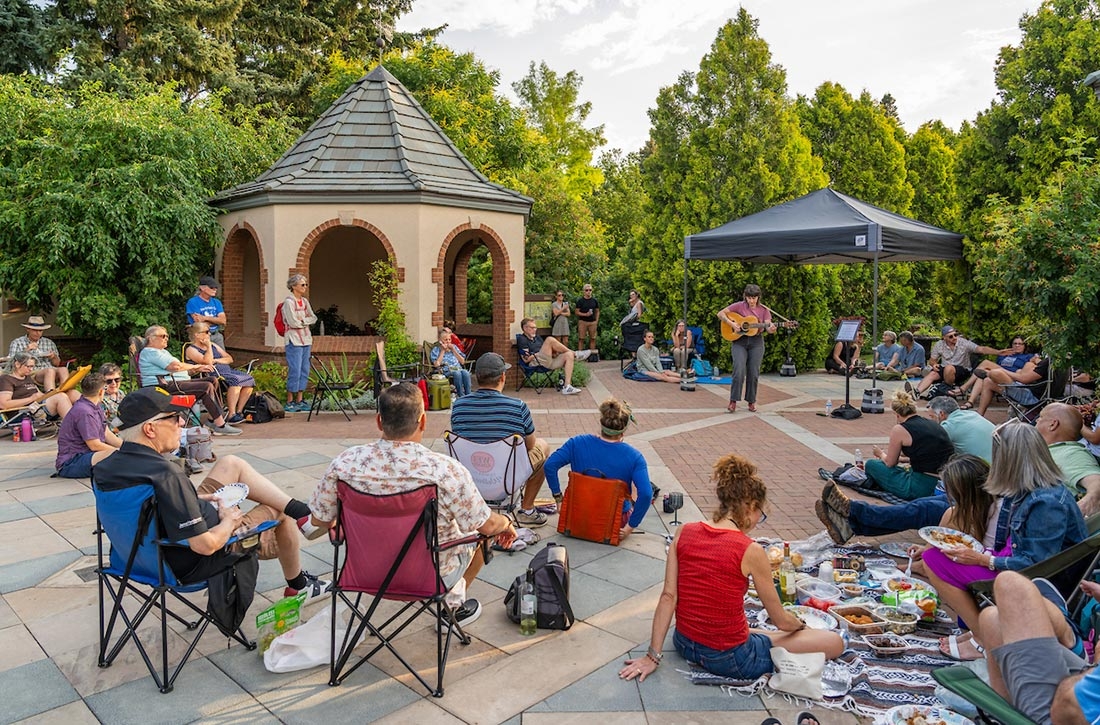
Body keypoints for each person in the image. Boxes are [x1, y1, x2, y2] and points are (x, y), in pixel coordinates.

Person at [306, 382, 518, 629]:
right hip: (429, 577)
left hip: (363, 573)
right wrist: (507, 523)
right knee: (480, 536)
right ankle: (451, 609)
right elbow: (487, 524)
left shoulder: (345, 463)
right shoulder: (445, 471)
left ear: (378, 421)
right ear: (423, 421)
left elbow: (319, 521)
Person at [619, 453, 843, 683]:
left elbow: (668, 596)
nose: (758, 521)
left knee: (766, 634)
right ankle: (777, 639)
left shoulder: (684, 531)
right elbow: (781, 620)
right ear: (750, 507)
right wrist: (800, 625)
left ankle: (764, 638)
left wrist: (652, 656)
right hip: (731, 658)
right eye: (761, 514)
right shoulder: (750, 549)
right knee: (834, 642)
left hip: (685, 641)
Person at [93, 387, 331, 598]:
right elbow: (205, 546)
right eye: (175, 418)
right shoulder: (166, 475)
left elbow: (147, 505)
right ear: (150, 429)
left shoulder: (105, 468)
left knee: (231, 464)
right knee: (277, 509)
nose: (181, 424)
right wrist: (229, 521)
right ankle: (298, 584)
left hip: (131, 560)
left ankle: (303, 514)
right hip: (189, 562)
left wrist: (190, 500)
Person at [923, 421, 1087, 661]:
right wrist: (983, 554)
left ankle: (982, 637)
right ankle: (979, 630)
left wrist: (984, 559)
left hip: (1035, 582)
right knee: (940, 552)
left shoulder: (1046, 502)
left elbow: (1035, 565)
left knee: (933, 559)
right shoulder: (1025, 490)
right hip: (1014, 567)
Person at [815, 396, 995, 544]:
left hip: (966, 490)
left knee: (920, 508)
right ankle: (851, 526)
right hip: (969, 486)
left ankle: (853, 510)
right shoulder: (942, 425)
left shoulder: (949, 425)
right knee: (921, 506)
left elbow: (890, 463)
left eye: (933, 416)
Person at [449, 353, 550, 526]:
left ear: (477, 377)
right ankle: (527, 509)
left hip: (472, 476)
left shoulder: (459, 406)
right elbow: (530, 445)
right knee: (543, 446)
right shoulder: (517, 406)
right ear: (503, 377)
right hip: (507, 477)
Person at [979, 573, 1093, 725]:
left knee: (1011, 586)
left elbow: (1066, 708)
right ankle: (1068, 636)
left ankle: (1069, 636)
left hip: (1070, 713)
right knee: (991, 619)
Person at [544, 398, 652, 540]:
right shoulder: (635, 457)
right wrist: (629, 527)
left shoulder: (577, 443)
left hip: (577, 518)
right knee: (633, 491)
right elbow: (646, 494)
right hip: (613, 523)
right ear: (624, 429)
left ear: (602, 422)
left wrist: (559, 499)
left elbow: (549, 465)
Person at [904, 455, 1000, 579]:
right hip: (978, 559)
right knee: (946, 512)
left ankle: (924, 566)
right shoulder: (969, 508)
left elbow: (985, 553)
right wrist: (927, 548)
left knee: (927, 510)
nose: (949, 494)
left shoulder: (995, 512)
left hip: (988, 567)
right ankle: (923, 562)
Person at [138, 325, 241, 436]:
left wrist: (197, 368)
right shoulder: (150, 352)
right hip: (161, 386)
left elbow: (180, 368)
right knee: (206, 386)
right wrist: (196, 367)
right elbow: (175, 367)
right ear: (151, 338)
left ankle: (212, 420)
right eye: (163, 336)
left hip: (174, 382)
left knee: (212, 380)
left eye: (167, 336)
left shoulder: (162, 352)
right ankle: (220, 425)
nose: (166, 338)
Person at [863, 388, 954, 500]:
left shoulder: (900, 429)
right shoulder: (932, 424)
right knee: (902, 469)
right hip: (945, 480)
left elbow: (890, 463)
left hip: (920, 486)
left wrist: (880, 453)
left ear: (897, 414)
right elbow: (929, 453)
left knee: (872, 465)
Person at [717, 284, 776, 413]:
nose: (751, 301)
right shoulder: (739, 306)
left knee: (753, 373)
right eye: (749, 298)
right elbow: (720, 313)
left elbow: (767, 326)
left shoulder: (764, 310)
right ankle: (733, 401)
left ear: (758, 297)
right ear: (745, 297)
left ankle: (751, 401)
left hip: (756, 342)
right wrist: (732, 323)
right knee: (738, 370)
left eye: (754, 298)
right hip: (739, 341)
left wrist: (771, 329)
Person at [184, 322, 255, 424]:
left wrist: (217, 360)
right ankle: (231, 414)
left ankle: (239, 411)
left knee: (249, 379)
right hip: (213, 375)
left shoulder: (214, 345)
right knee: (236, 381)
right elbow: (207, 361)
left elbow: (230, 359)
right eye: (207, 332)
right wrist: (208, 347)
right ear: (197, 335)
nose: (209, 335)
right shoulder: (191, 349)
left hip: (228, 371)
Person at [1036, 403, 1100, 515]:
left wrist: (1089, 500)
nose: (1037, 420)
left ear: (1053, 424)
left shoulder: (1070, 453)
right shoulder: (1053, 449)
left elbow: (1096, 482)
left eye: (1041, 417)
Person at [55, 372, 122, 478]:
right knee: (120, 459)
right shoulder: (84, 412)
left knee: (125, 456)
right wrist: (123, 452)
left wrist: (126, 447)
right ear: (101, 392)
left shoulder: (95, 406)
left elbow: (106, 433)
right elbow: (94, 445)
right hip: (71, 463)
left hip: (86, 455)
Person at [916, 325, 1008, 397]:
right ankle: (917, 392)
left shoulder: (963, 343)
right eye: (950, 336)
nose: (954, 337)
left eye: (955, 335)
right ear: (944, 338)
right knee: (933, 373)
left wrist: (998, 352)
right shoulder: (939, 345)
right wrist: (934, 364)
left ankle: (947, 389)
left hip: (962, 370)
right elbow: (932, 361)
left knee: (949, 368)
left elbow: (981, 349)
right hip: (946, 369)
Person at [516, 317, 589, 396]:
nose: (535, 329)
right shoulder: (522, 339)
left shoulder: (537, 337)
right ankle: (576, 354)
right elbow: (526, 360)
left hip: (547, 362)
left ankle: (567, 387)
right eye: (532, 327)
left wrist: (553, 353)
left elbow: (545, 351)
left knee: (568, 355)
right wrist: (538, 354)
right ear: (525, 328)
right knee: (550, 339)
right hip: (535, 362)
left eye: (535, 327)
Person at [0, 351, 75, 420]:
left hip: (38, 406)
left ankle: (83, 423)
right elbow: (3, 404)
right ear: (17, 364)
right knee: (61, 397)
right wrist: (31, 398)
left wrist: (50, 394)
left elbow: (38, 394)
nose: (31, 369)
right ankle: (73, 428)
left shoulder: (27, 377)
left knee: (72, 393)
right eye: (28, 366)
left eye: (32, 366)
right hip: (25, 412)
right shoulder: (6, 379)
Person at [959, 336, 1030, 407]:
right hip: (998, 375)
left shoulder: (1028, 356)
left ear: (1025, 346)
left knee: (986, 363)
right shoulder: (1004, 355)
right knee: (982, 375)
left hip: (1011, 378)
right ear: (1011, 345)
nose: (1017, 345)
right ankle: (970, 401)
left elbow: (1025, 372)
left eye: (1020, 344)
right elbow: (996, 366)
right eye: (1015, 343)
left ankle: (964, 387)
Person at [281, 274, 317, 412]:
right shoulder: (288, 302)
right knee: (294, 369)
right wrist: (304, 321)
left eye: (306, 284)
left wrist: (303, 322)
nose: (305, 287)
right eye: (302, 285)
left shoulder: (305, 301)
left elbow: (313, 317)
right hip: (293, 340)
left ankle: (300, 399)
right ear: (293, 286)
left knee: (304, 369)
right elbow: (292, 322)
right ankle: (290, 401)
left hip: (306, 339)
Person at [975, 353, 1048, 417]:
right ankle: (979, 416)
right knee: (988, 381)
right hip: (1027, 388)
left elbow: (1024, 379)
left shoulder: (1047, 362)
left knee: (996, 373)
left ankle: (988, 373)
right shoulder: (1053, 363)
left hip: (1032, 398)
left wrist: (1002, 370)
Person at [8, 315, 69, 392]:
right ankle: (51, 396)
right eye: (34, 330)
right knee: (49, 371)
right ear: (28, 329)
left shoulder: (49, 343)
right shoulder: (17, 342)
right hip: (32, 372)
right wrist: (26, 350)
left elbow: (57, 364)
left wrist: (53, 357)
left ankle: (66, 392)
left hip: (50, 369)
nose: (38, 333)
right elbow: (11, 364)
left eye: (40, 331)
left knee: (63, 369)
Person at [185, 276, 227, 350]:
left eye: (216, 287)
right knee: (204, 359)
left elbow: (223, 321)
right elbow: (198, 323)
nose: (215, 289)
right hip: (201, 336)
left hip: (217, 335)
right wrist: (216, 320)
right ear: (202, 288)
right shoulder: (193, 302)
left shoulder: (216, 302)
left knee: (222, 359)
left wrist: (205, 318)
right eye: (212, 287)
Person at [429, 328, 472, 398]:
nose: (448, 342)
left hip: (458, 368)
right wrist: (442, 351)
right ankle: (461, 395)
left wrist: (453, 350)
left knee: (465, 372)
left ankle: (468, 395)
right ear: (440, 341)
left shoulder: (454, 347)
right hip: (446, 371)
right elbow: (436, 364)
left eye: (449, 339)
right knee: (457, 373)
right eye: (445, 340)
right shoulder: (436, 350)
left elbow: (462, 361)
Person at [575, 283, 600, 361]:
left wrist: (596, 320)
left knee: (593, 338)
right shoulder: (580, 301)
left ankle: (591, 356)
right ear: (583, 291)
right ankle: (580, 356)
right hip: (582, 321)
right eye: (587, 290)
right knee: (581, 338)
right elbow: (576, 312)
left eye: (590, 290)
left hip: (592, 322)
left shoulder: (594, 301)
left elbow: (597, 311)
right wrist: (585, 314)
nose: (588, 292)